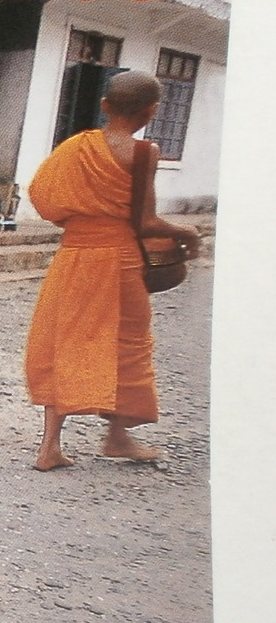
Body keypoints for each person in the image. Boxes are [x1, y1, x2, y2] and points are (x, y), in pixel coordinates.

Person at [24, 70, 202, 471]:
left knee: (63, 341)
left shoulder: (75, 147)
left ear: (105, 106)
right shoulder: (143, 153)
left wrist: (84, 220)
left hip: (73, 259)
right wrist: (187, 231)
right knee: (128, 345)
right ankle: (117, 436)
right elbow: (146, 223)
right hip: (120, 262)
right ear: (152, 111)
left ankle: (49, 447)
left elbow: (43, 196)